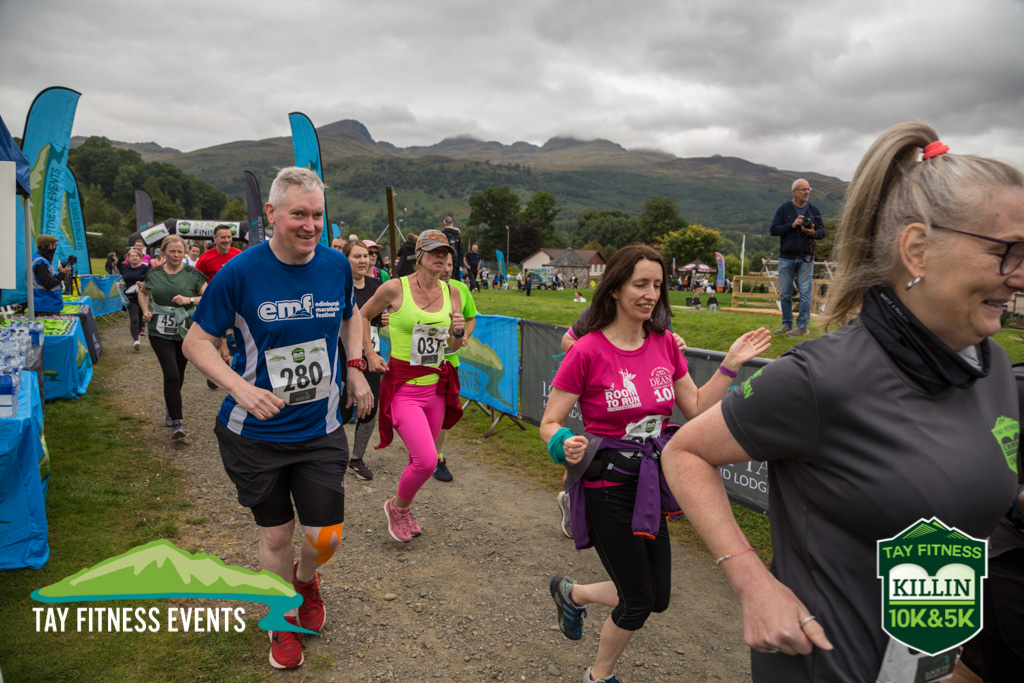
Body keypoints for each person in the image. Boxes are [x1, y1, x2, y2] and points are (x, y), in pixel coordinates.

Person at [661, 122, 1022, 683]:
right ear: (917, 249)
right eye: (1005, 251)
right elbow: (684, 452)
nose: (1019, 277)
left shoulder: (993, 365)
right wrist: (751, 582)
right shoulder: (823, 376)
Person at [540, 245, 770, 683]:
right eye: (640, 284)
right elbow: (550, 422)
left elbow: (695, 407)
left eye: (658, 285)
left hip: (648, 484)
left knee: (657, 597)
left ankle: (573, 593)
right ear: (615, 289)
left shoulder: (664, 343)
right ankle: (599, 676)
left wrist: (729, 365)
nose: (650, 294)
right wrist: (563, 442)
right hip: (606, 486)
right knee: (638, 601)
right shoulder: (586, 350)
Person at [183, 167, 372, 670]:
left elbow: (351, 316)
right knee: (276, 535)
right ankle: (280, 616)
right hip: (255, 435)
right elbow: (196, 343)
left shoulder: (335, 265)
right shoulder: (239, 272)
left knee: (325, 536)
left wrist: (355, 367)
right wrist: (240, 388)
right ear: (271, 214)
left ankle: (304, 580)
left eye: (317, 215)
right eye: (299, 214)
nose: (310, 225)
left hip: (320, 427)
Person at [359, 230, 466, 543]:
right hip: (404, 388)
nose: (441, 257)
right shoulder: (395, 287)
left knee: (418, 459)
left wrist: (458, 333)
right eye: (434, 252)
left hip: (435, 388)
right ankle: (398, 507)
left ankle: (403, 508)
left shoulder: (453, 292)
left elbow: (451, 347)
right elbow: (363, 315)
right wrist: (370, 353)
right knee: (427, 461)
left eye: (446, 253)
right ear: (419, 256)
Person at [138, 235, 207, 439]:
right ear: (163, 252)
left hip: (185, 329)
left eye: (179, 251)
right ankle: (177, 422)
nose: (176, 255)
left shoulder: (193, 274)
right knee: (171, 374)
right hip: (159, 331)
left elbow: (209, 295)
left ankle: (171, 406)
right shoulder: (154, 273)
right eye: (172, 251)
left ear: (184, 253)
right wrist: (145, 310)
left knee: (179, 372)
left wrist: (190, 299)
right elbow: (143, 293)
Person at [342, 240, 386, 481]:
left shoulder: (376, 285)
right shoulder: (339, 285)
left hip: (371, 353)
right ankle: (331, 456)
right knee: (342, 408)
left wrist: (382, 320)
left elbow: (374, 319)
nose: (363, 261)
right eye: (357, 256)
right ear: (346, 259)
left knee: (370, 407)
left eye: (366, 256)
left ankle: (356, 459)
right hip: (343, 354)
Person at [432, 251, 477, 482]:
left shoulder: (460, 289)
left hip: (449, 363)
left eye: (450, 265)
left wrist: (464, 335)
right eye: (443, 264)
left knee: (442, 412)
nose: (447, 269)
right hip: (421, 364)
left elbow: (470, 318)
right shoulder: (418, 289)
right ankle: (422, 450)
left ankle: (438, 456)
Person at [770, 178, 824, 337]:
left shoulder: (813, 210)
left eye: (808, 189)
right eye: (803, 189)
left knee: (805, 292)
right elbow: (774, 230)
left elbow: (822, 232)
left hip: (806, 256)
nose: (806, 192)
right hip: (786, 256)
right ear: (794, 192)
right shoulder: (784, 209)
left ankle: (802, 326)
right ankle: (786, 324)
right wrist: (792, 225)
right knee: (785, 293)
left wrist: (812, 233)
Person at [195, 225, 243, 385]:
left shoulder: (238, 254)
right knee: (214, 342)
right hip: (214, 306)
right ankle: (213, 372)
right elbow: (196, 281)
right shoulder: (205, 258)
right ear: (215, 238)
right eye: (223, 237)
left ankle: (235, 376)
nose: (227, 240)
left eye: (229, 237)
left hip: (235, 306)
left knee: (233, 341)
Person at [31, 234, 70, 315]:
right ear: (49, 246)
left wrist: (62, 274)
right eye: (54, 245)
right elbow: (49, 284)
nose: (55, 248)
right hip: (45, 305)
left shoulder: (41, 259)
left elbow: (50, 279)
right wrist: (62, 274)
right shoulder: (40, 262)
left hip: (46, 303)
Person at [120, 248, 150, 350]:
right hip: (129, 296)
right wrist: (121, 284)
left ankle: (140, 332)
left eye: (136, 256)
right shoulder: (125, 268)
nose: (134, 257)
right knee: (134, 319)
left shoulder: (144, 268)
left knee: (141, 317)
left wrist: (142, 283)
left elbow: (150, 280)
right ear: (128, 258)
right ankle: (136, 340)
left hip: (142, 296)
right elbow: (122, 278)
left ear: (140, 257)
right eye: (132, 256)